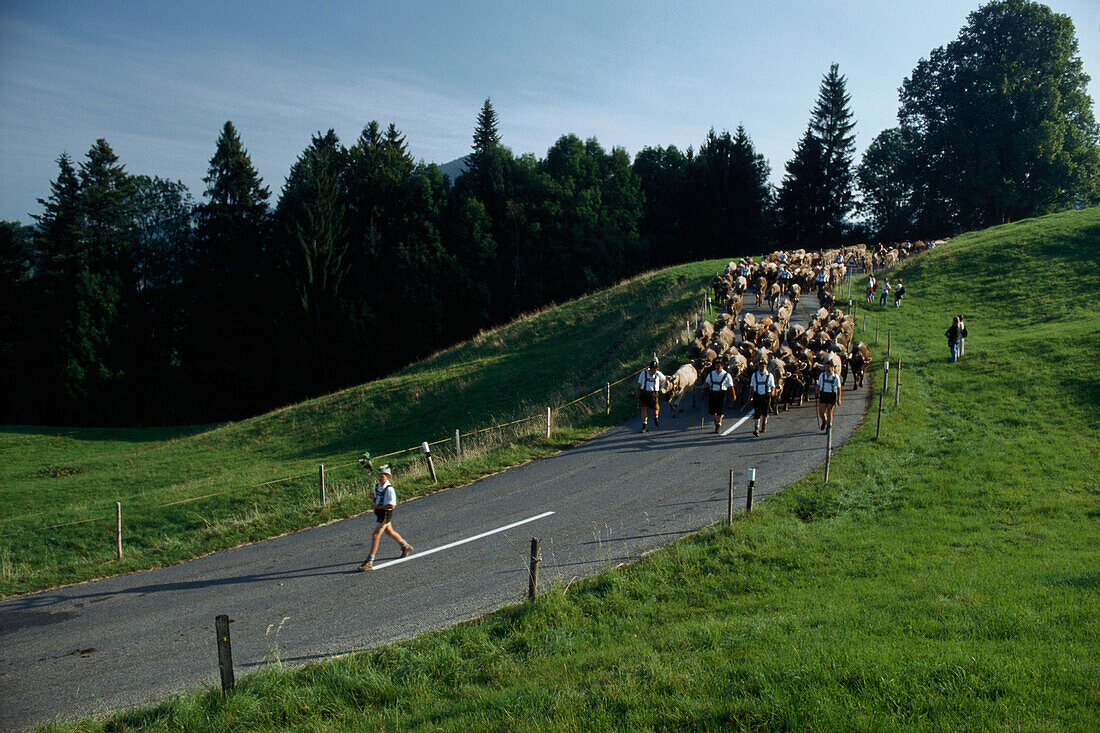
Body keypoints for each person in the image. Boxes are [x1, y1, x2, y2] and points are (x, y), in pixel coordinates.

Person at [358, 464, 413, 571]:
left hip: (385, 515)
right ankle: (405, 546)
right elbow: (378, 497)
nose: (379, 477)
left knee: (376, 535)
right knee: (389, 532)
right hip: (380, 513)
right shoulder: (378, 486)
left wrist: (378, 506)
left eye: (382, 476)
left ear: (388, 476)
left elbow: (392, 505)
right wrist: (373, 497)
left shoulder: (389, 489)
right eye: (378, 475)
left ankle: (370, 560)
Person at [704, 358, 736, 433]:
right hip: (712, 392)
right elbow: (707, 382)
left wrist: (733, 395)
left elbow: (731, 386)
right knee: (711, 411)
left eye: (718, 366)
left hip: (722, 393)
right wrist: (705, 386)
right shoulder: (711, 374)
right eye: (716, 366)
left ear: (722, 366)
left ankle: (718, 425)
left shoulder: (727, 375)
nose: (717, 367)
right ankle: (717, 418)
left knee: (719, 409)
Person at [636, 357, 667, 432]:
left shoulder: (658, 374)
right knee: (643, 408)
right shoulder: (644, 373)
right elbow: (639, 384)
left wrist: (658, 385)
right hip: (644, 393)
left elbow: (664, 379)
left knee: (655, 409)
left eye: (656, 368)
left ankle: (655, 417)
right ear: (650, 368)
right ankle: (644, 425)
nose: (655, 370)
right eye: (654, 368)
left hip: (653, 394)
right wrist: (637, 393)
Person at [748, 360, 776, 437]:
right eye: (760, 366)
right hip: (757, 395)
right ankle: (756, 428)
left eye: (763, 366)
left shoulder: (769, 375)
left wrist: (773, 392)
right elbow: (752, 386)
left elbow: (772, 386)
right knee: (757, 412)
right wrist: (750, 396)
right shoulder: (755, 375)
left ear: (766, 367)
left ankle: (764, 425)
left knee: (764, 412)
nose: (761, 368)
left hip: (766, 395)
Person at [816, 360, 842, 431]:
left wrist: (839, 399)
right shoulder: (822, 375)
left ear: (833, 368)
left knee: (829, 410)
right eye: (827, 366)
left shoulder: (836, 377)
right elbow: (819, 384)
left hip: (831, 394)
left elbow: (839, 388)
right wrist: (816, 391)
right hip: (823, 394)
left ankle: (829, 425)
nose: (828, 368)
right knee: (821, 412)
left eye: (830, 366)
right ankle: (824, 420)